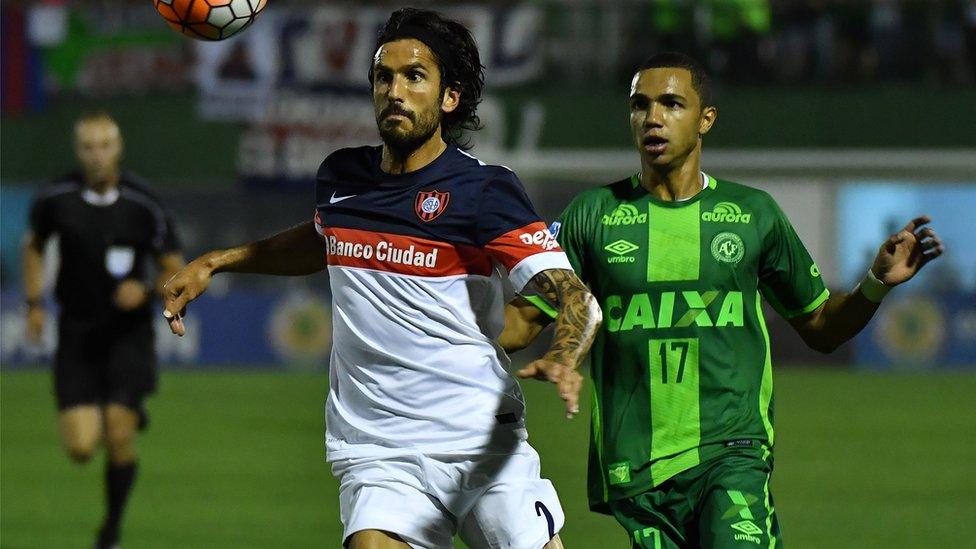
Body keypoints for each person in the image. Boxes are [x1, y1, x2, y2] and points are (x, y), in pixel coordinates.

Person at [161, 8, 602, 549]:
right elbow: (324, 239)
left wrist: (565, 353)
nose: (395, 90)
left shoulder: (482, 190)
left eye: (415, 76)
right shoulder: (342, 176)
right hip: (380, 452)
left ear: (450, 98)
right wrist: (217, 261)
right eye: (383, 76)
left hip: (480, 440)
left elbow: (573, 295)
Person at [500, 52, 944, 548]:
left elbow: (821, 327)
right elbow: (522, 321)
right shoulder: (591, 215)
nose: (653, 117)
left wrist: (875, 284)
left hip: (732, 454)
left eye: (671, 103)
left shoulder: (753, 214)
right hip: (638, 469)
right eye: (639, 105)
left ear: (705, 118)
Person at [22, 112, 185, 549]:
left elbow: (174, 268)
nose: (97, 156)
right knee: (80, 448)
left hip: (127, 334)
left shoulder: (143, 203)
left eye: (104, 146)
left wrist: (148, 290)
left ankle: (110, 530)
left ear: (118, 148)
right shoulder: (56, 198)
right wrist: (34, 304)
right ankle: (127, 412)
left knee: (117, 432)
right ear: (78, 152)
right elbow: (33, 248)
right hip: (77, 332)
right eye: (88, 147)